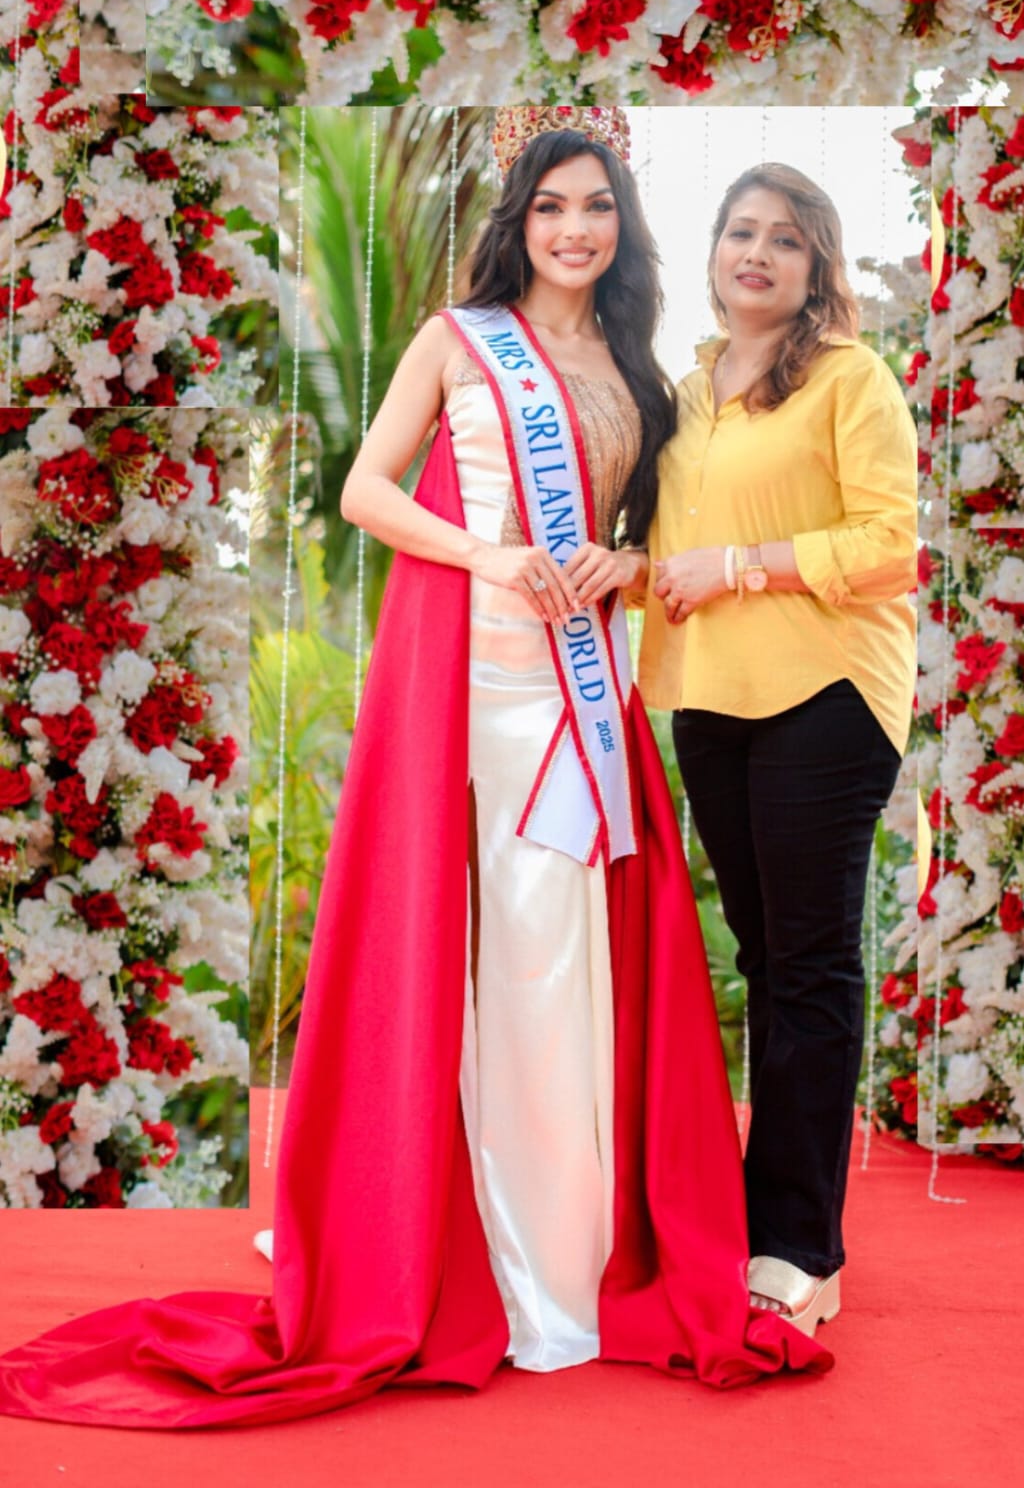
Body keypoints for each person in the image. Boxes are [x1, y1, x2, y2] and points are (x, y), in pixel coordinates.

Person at [0, 113, 829, 1431]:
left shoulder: (637, 365)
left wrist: (620, 563)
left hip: (582, 693)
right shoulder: (458, 338)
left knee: (567, 959)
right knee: (476, 949)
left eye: (595, 206)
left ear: (621, 224)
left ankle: (567, 1244)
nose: (573, 229)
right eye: (550, 206)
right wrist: (486, 552)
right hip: (478, 685)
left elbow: (646, 538)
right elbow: (366, 493)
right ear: (518, 219)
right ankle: (462, 1234)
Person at [638, 162, 917, 1336]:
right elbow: (662, 550)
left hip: (826, 694)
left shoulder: (849, 378)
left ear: (816, 267)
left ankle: (800, 1249)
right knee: (762, 959)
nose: (756, 253)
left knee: (806, 965)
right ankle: (760, 1213)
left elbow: (891, 542)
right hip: (710, 698)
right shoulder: (684, 391)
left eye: (785, 239)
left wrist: (742, 567)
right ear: (710, 251)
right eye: (740, 231)